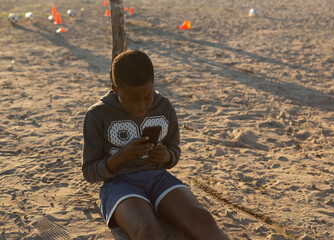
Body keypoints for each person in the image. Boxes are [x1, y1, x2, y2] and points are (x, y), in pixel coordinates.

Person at [82, 50, 228, 240]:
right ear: (116, 89)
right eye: (132, 100)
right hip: (119, 185)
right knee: (147, 229)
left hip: (159, 179)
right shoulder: (97, 114)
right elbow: (90, 172)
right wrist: (122, 156)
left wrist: (166, 156)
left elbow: (174, 150)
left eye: (148, 97)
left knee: (202, 219)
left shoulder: (164, 106)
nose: (141, 107)